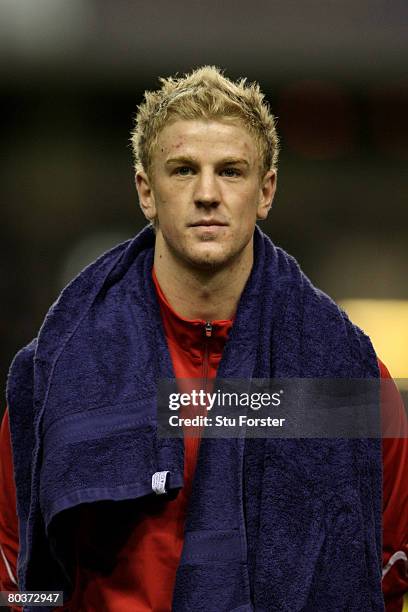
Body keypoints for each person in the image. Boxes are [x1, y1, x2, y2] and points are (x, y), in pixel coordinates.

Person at [1, 66, 407, 612]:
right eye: (184, 170)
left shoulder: (345, 379)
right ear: (147, 191)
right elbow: (18, 572)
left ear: (265, 192)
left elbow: (386, 566)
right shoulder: (54, 376)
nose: (208, 194)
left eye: (232, 171)